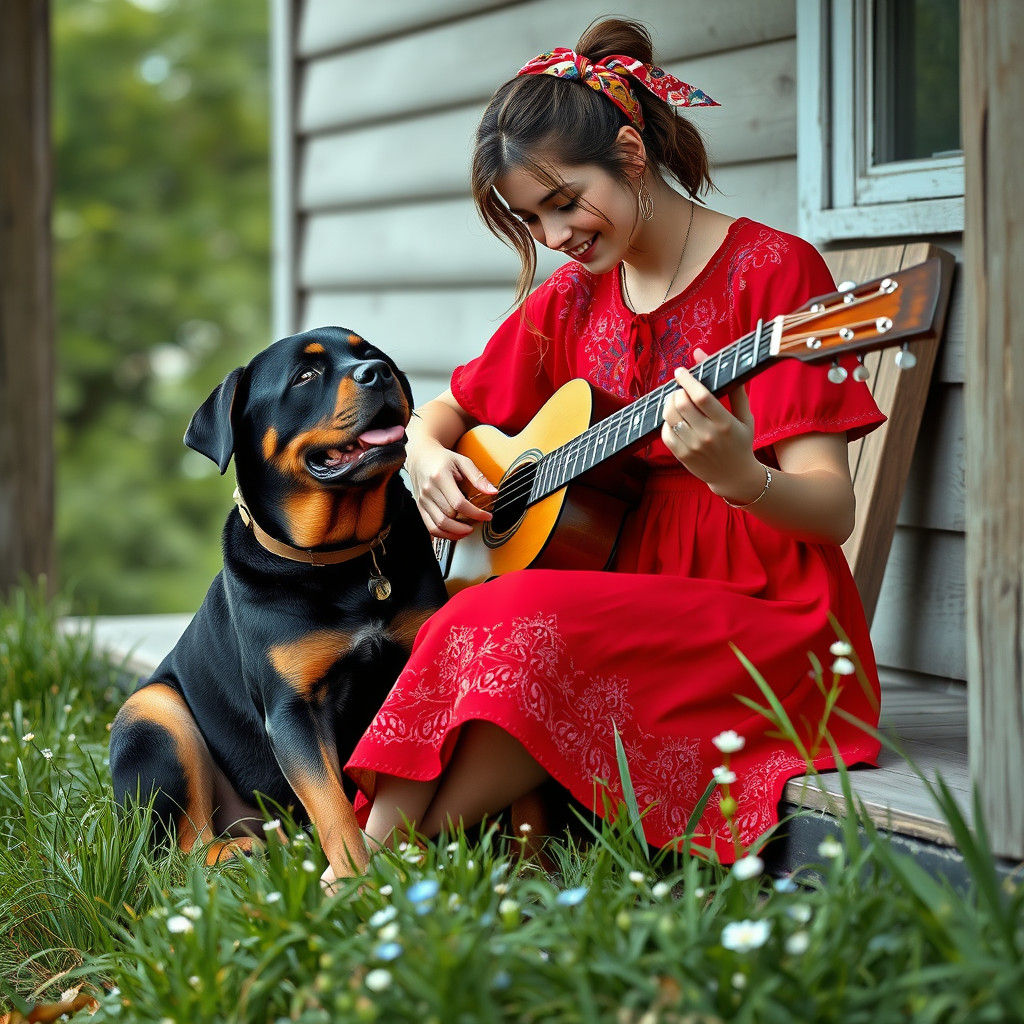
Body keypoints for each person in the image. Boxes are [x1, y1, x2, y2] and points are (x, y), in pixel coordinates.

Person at [342, 18, 886, 877]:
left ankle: (362, 868)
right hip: (617, 592)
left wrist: (741, 477)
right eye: (532, 218)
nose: (555, 236)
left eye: (564, 203)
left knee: (497, 618)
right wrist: (422, 455)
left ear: (632, 153)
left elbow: (830, 508)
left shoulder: (773, 275)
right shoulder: (571, 301)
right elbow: (449, 410)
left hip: (767, 619)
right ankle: (371, 868)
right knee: (475, 619)